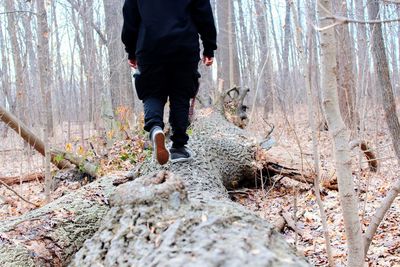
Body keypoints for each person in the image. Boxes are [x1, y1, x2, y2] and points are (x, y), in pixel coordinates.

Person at [122, 0, 217, 165]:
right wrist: (209, 47)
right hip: (184, 47)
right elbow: (204, 14)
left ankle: (156, 129)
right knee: (180, 95)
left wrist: (131, 51)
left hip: (149, 47)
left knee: (152, 93)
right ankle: (178, 147)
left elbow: (130, 18)